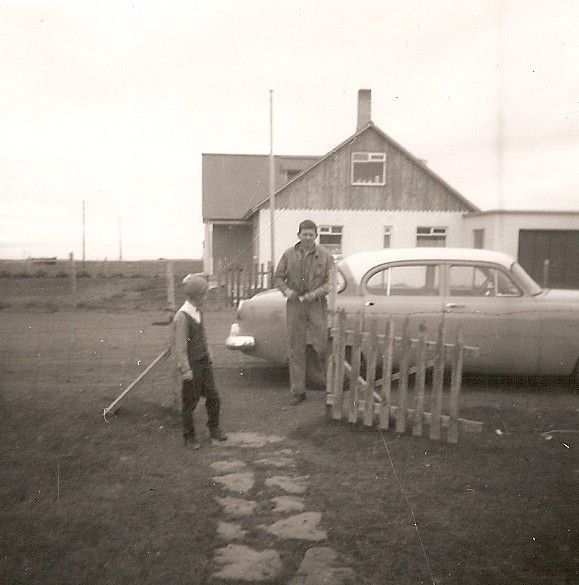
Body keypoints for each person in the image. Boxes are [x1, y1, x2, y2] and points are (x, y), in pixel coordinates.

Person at [274, 220, 335, 405]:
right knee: (296, 348)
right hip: (295, 305)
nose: (308, 237)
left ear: (316, 236)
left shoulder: (325, 256)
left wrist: (314, 294)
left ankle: (330, 390)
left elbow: (331, 283)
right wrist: (287, 291)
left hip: (316, 304)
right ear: (298, 235)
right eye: (304, 234)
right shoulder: (288, 254)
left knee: (322, 346)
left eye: (311, 234)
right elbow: (278, 277)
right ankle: (298, 392)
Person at [173, 274, 227, 449]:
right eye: (204, 294)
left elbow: (203, 336)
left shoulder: (198, 312)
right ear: (196, 296)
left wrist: (209, 352)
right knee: (190, 402)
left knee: (213, 397)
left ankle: (214, 429)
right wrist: (186, 370)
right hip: (192, 366)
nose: (206, 297)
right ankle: (189, 437)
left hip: (204, 362)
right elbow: (180, 348)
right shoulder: (182, 317)